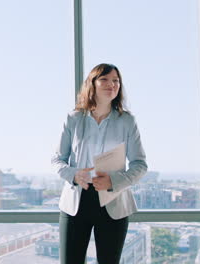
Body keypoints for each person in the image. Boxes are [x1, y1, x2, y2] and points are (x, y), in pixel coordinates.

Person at [52, 63, 147, 264]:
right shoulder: (74, 119)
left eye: (116, 81)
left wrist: (113, 181)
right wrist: (75, 175)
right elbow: (57, 160)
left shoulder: (127, 121)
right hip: (76, 203)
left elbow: (140, 165)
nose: (111, 84)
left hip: (113, 203)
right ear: (92, 84)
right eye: (104, 79)